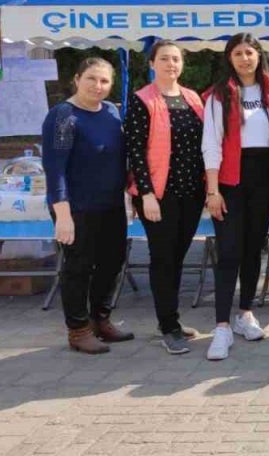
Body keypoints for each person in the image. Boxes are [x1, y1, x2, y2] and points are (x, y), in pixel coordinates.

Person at [202, 33, 269, 361]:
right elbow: (211, 143)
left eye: (249, 52)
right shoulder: (219, 95)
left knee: (253, 249)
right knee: (230, 251)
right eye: (237, 53)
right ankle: (221, 326)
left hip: (264, 179)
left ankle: (245, 313)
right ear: (229, 58)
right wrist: (213, 190)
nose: (244, 58)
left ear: (259, 55)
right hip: (230, 179)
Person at [41, 57, 130, 355]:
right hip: (76, 206)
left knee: (112, 262)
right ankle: (78, 330)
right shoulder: (64, 115)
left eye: (104, 81)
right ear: (77, 79)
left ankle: (100, 319)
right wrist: (62, 214)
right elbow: (55, 168)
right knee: (78, 267)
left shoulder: (111, 111)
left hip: (111, 203)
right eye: (91, 78)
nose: (98, 86)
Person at [125, 40, 206, 355]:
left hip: (190, 193)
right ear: (152, 64)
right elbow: (135, 151)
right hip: (159, 195)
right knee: (163, 259)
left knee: (178, 257)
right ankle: (168, 326)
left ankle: (169, 319)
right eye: (164, 59)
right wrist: (145, 194)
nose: (171, 64)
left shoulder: (192, 98)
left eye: (175, 59)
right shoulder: (141, 100)